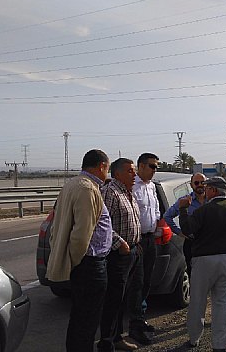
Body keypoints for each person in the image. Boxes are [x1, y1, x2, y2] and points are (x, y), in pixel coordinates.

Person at [47, 149, 112, 352]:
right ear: (101, 166)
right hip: (89, 264)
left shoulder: (73, 184)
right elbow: (81, 234)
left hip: (86, 264)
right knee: (87, 320)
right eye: (107, 168)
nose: (107, 173)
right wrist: (77, 261)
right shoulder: (87, 189)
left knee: (80, 317)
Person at [178, 176, 226, 352]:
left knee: (198, 300)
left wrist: (183, 210)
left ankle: (194, 338)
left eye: (207, 188)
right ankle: (220, 345)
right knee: (223, 303)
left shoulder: (203, 211)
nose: (205, 191)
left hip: (203, 260)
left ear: (213, 191)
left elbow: (187, 229)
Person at [97, 158, 141, 352]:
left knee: (122, 299)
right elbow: (101, 223)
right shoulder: (110, 192)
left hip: (132, 251)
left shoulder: (127, 192)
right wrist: (119, 243)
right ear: (117, 173)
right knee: (113, 300)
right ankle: (106, 343)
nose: (135, 175)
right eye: (131, 171)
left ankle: (117, 338)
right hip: (118, 255)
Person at [128, 152, 160, 345]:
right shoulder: (133, 186)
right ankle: (135, 323)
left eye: (156, 166)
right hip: (137, 240)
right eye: (152, 166)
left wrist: (155, 224)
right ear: (140, 166)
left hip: (150, 240)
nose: (154, 170)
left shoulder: (152, 187)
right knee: (136, 283)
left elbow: (155, 209)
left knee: (147, 280)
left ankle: (140, 316)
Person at [163, 172, 206, 277]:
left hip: (210, 243)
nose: (200, 185)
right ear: (191, 185)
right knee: (195, 276)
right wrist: (179, 232)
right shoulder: (185, 201)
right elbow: (167, 216)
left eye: (203, 182)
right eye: (196, 183)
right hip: (193, 244)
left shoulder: (212, 200)